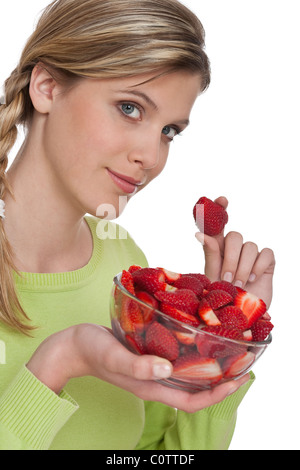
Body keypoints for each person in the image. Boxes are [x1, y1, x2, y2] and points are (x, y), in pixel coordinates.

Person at [0, 0, 275, 450]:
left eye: (169, 131)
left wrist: (216, 346)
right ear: (47, 87)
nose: (152, 156)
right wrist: (60, 362)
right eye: (129, 108)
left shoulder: (125, 263)